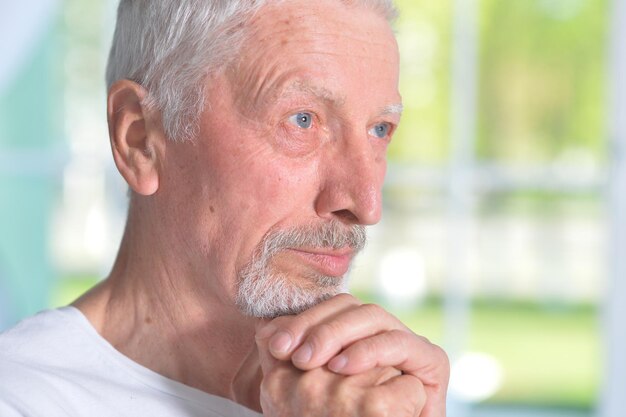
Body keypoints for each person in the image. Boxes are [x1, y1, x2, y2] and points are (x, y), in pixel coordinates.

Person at [0, 0, 450, 416]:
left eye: (379, 129)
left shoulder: (381, 400)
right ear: (140, 140)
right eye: (302, 120)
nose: (365, 203)